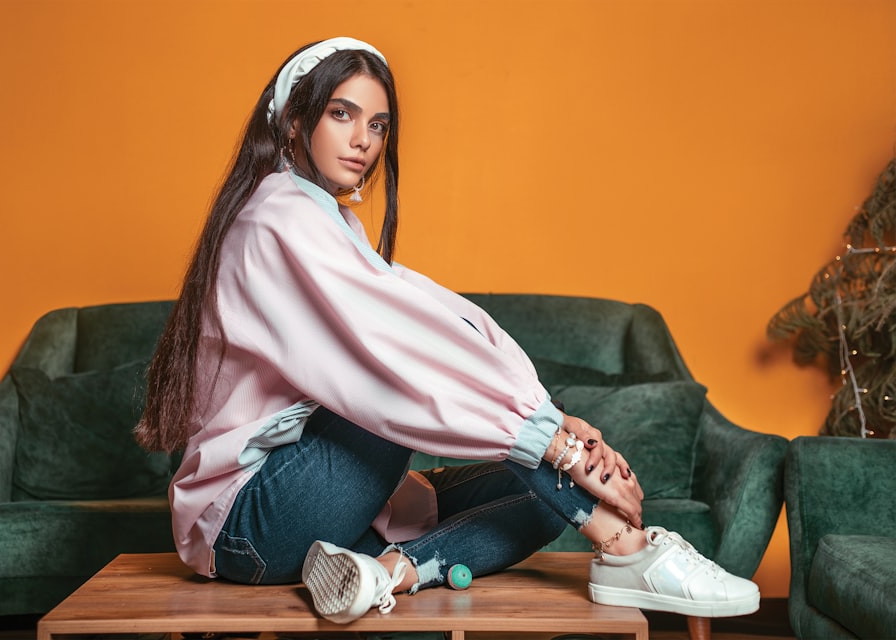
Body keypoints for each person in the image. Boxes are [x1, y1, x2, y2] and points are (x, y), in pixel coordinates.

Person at [135, 36, 759, 624]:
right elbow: (399, 353)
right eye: (342, 115)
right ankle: (627, 548)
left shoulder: (325, 222)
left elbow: (434, 316)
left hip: (311, 509)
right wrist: (556, 444)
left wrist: (554, 426)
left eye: (377, 125)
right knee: (400, 391)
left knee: (545, 502)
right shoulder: (276, 218)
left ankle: (385, 575)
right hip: (246, 525)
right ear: (294, 122)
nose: (364, 141)